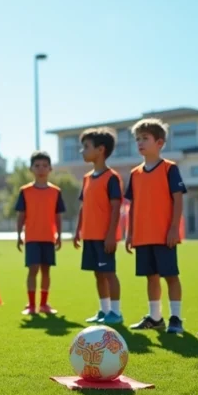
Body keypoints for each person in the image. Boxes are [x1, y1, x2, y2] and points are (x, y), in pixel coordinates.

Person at [124, 119, 187, 334]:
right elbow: (132, 206)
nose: (140, 143)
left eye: (145, 138)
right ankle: (155, 317)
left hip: (164, 235)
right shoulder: (134, 174)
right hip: (142, 236)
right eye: (137, 139)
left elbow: (178, 201)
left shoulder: (170, 169)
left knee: (170, 276)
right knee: (150, 277)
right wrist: (130, 233)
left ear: (159, 142)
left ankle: (176, 318)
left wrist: (173, 229)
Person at [72, 127, 124, 325]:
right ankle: (104, 311)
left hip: (104, 237)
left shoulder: (111, 177)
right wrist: (78, 231)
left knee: (109, 273)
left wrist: (111, 235)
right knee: (98, 273)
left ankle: (116, 313)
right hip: (90, 236)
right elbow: (84, 206)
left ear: (100, 150)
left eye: (86, 147)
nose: (82, 151)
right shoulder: (86, 178)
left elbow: (116, 207)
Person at [15, 151, 65, 315]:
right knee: (32, 269)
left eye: (44, 165)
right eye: (37, 166)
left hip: (48, 237)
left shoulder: (56, 192)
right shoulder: (25, 191)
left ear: (50, 168)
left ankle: (44, 304)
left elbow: (58, 216)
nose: (41, 169)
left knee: (46, 270)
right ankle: (31, 305)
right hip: (32, 238)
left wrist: (59, 235)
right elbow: (21, 215)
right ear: (31, 169)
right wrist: (18, 235)